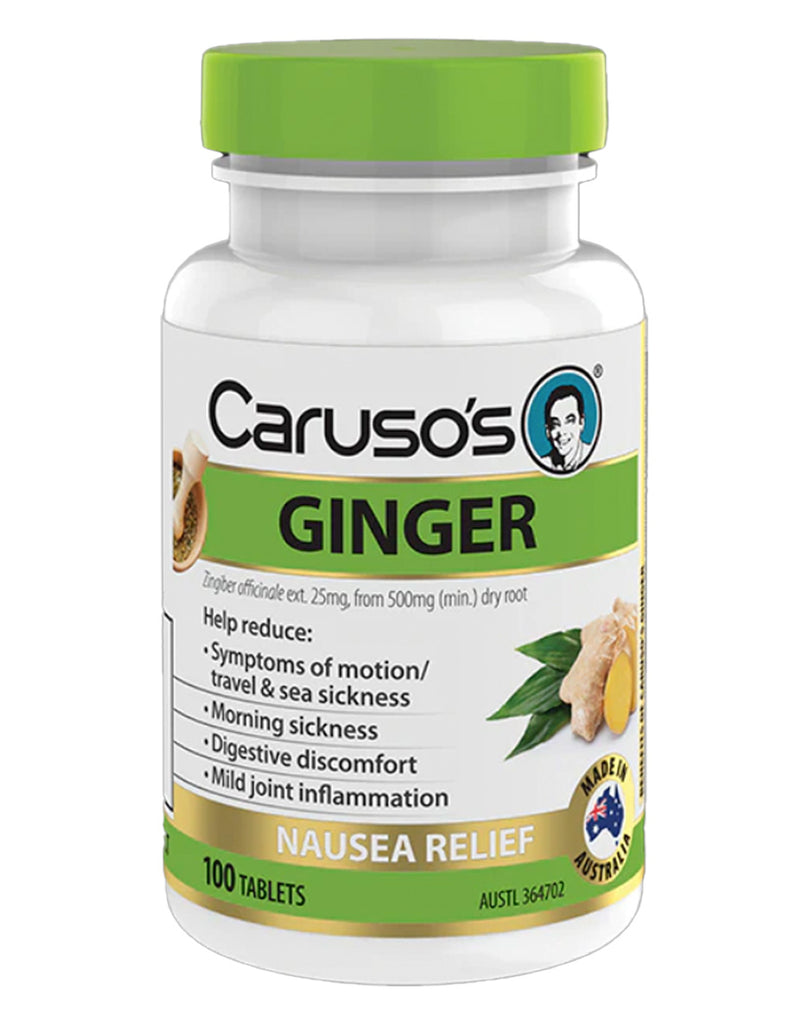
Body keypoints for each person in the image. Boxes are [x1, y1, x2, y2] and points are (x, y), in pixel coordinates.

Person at [538, 384, 592, 473]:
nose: (562, 432)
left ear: (581, 423)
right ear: (548, 431)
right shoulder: (542, 464)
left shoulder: (594, 455)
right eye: (555, 424)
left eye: (569, 421)